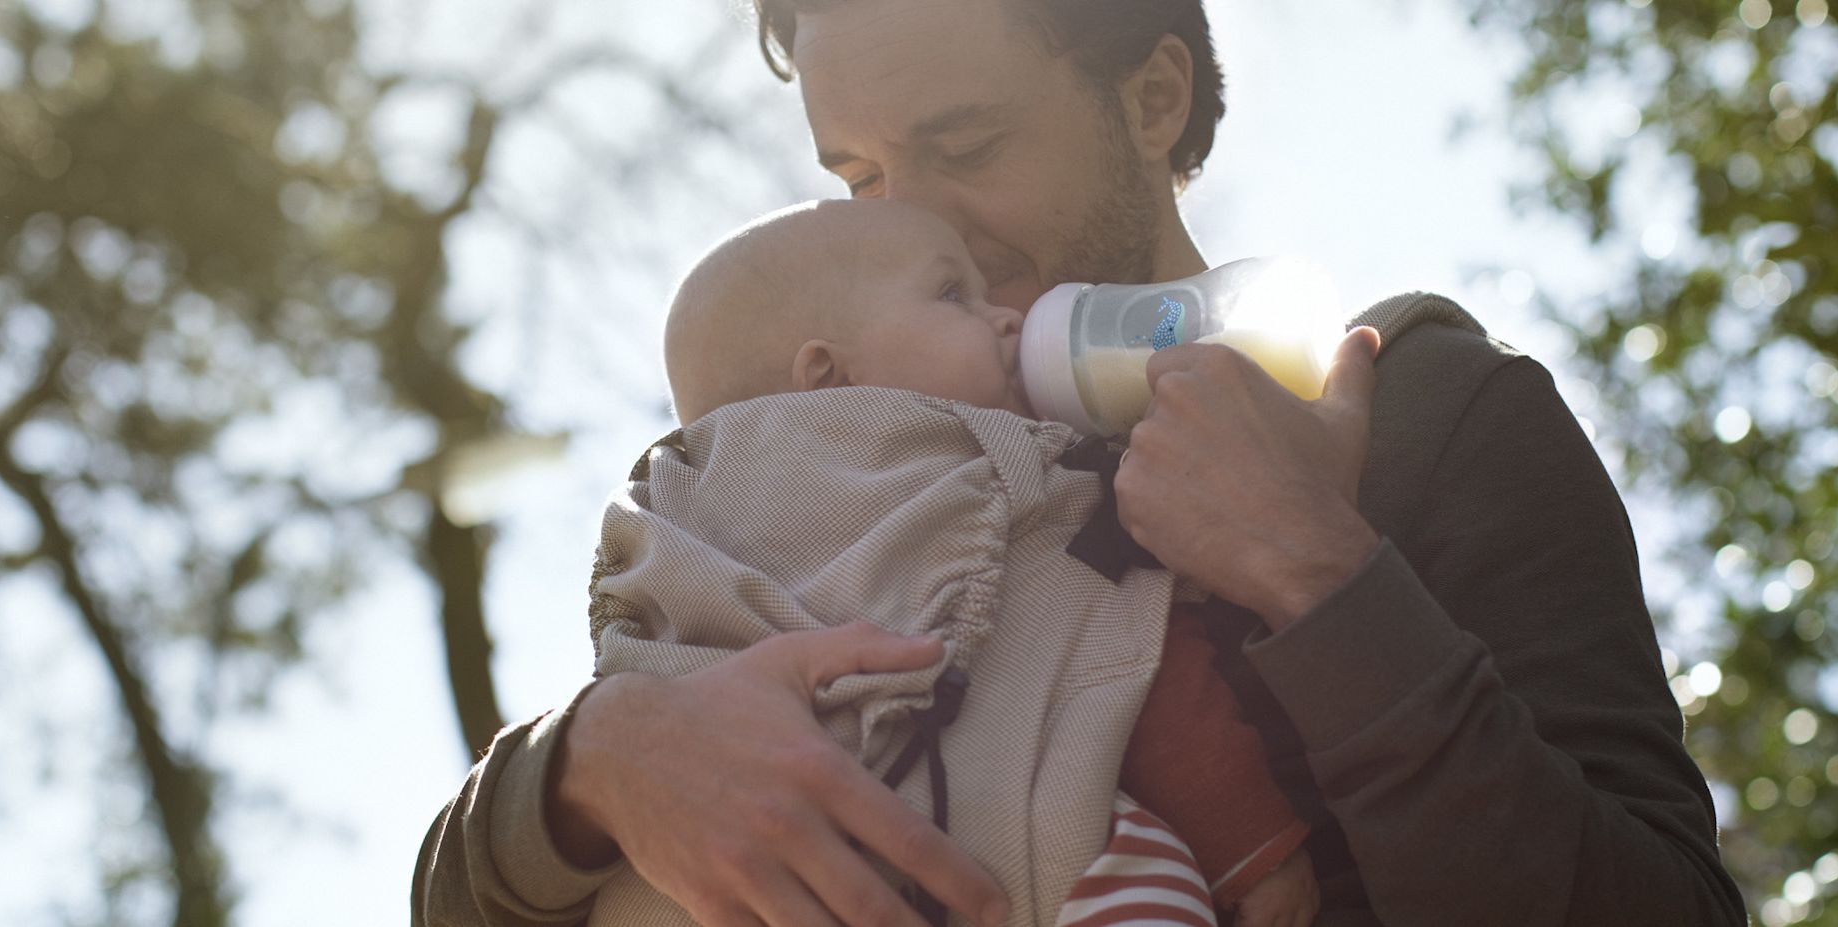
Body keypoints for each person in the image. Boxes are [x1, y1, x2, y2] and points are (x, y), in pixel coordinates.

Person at [413, 1, 1749, 925]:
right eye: (860, 173)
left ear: (1153, 98)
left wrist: (1325, 580)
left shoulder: (1422, 406)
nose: (912, 220)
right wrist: (592, 763)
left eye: (964, 146)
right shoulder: (819, 464)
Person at [620, 197, 1321, 927]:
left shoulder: (676, 544)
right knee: (1151, 874)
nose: (1009, 317)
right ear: (829, 376)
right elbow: (1134, 663)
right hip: (1029, 860)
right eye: (954, 293)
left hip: (768, 882)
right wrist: (1252, 849)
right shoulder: (1016, 492)